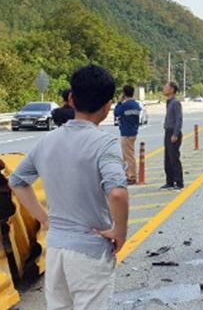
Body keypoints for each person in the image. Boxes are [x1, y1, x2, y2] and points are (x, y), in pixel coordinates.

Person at [8, 65, 129, 310]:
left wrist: (44, 219)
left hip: (55, 250)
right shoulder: (105, 143)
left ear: (71, 99)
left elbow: (17, 182)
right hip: (90, 251)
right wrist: (120, 232)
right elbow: (117, 193)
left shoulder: (47, 141)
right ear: (108, 107)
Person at [114, 84, 142, 184]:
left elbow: (116, 113)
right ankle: (129, 174)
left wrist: (119, 102)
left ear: (124, 93)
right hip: (133, 131)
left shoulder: (125, 105)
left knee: (128, 156)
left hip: (126, 133)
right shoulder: (136, 105)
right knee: (129, 155)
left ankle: (131, 176)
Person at [162, 81, 184, 190]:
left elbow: (179, 119)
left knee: (174, 158)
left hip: (173, 133)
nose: (164, 88)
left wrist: (175, 134)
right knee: (167, 159)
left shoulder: (175, 103)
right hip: (167, 132)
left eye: (166, 87)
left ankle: (179, 182)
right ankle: (169, 182)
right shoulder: (168, 102)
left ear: (171, 90)